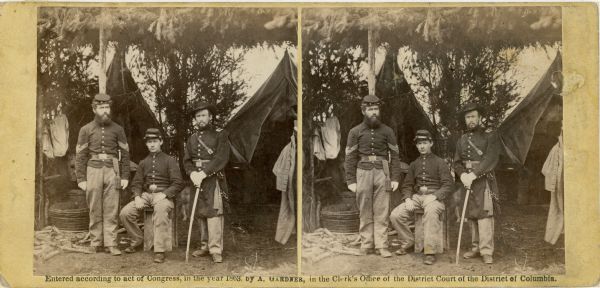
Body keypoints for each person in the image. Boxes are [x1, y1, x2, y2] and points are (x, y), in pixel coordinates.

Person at [344, 95, 401, 258]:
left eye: (376, 109)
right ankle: (366, 243)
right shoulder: (355, 132)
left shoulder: (388, 131)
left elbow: (395, 156)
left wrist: (395, 177)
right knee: (364, 210)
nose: (374, 112)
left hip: (383, 173)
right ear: (363, 111)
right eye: (370, 109)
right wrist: (351, 180)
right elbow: (350, 157)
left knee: (382, 210)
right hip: (362, 172)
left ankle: (382, 245)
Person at [75, 93, 130, 255]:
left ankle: (111, 243)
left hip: (113, 170)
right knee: (94, 207)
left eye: (107, 107)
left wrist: (125, 176)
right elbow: (80, 156)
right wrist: (81, 178)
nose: (105, 111)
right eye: (101, 108)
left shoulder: (118, 129)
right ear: (94, 109)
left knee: (111, 207)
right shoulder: (85, 129)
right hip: (93, 170)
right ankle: (95, 241)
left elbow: (125, 154)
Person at [119, 128, 184, 263]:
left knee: (160, 211)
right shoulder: (143, 162)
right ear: (146, 144)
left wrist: (164, 194)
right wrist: (137, 197)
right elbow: (137, 183)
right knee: (125, 213)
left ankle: (159, 250)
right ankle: (138, 239)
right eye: (149, 142)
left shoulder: (169, 160)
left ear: (160, 141)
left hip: (164, 197)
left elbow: (178, 183)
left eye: (155, 141)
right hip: (146, 196)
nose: (152, 145)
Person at [389, 130, 453, 265]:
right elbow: (407, 185)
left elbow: (448, 185)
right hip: (417, 197)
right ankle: (408, 242)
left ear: (431, 143)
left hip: (435, 198)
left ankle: (429, 251)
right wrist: (407, 199)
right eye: (419, 144)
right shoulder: (414, 164)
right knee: (396, 215)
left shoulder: (440, 162)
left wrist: (435, 196)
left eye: (424, 143)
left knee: (430, 213)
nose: (422, 146)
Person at [453, 103, 501, 264]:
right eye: (467, 117)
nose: (470, 120)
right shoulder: (462, 139)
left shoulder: (490, 135)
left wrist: (474, 174)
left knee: (485, 213)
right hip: (467, 180)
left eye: (473, 116)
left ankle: (487, 250)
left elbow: (491, 158)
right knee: (471, 213)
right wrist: (462, 176)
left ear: (480, 117)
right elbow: (457, 162)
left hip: (483, 179)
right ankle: (475, 248)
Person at [183, 102, 230, 263]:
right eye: (198, 116)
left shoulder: (220, 134)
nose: (200, 119)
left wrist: (204, 172)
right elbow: (187, 160)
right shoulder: (192, 138)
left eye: (203, 115)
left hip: (213, 178)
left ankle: (216, 249)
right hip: (196, 178)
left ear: (210, 117)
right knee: (200, 211)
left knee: (214, 212)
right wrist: (192, 173)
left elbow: (221, 157)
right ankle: (204, 246)